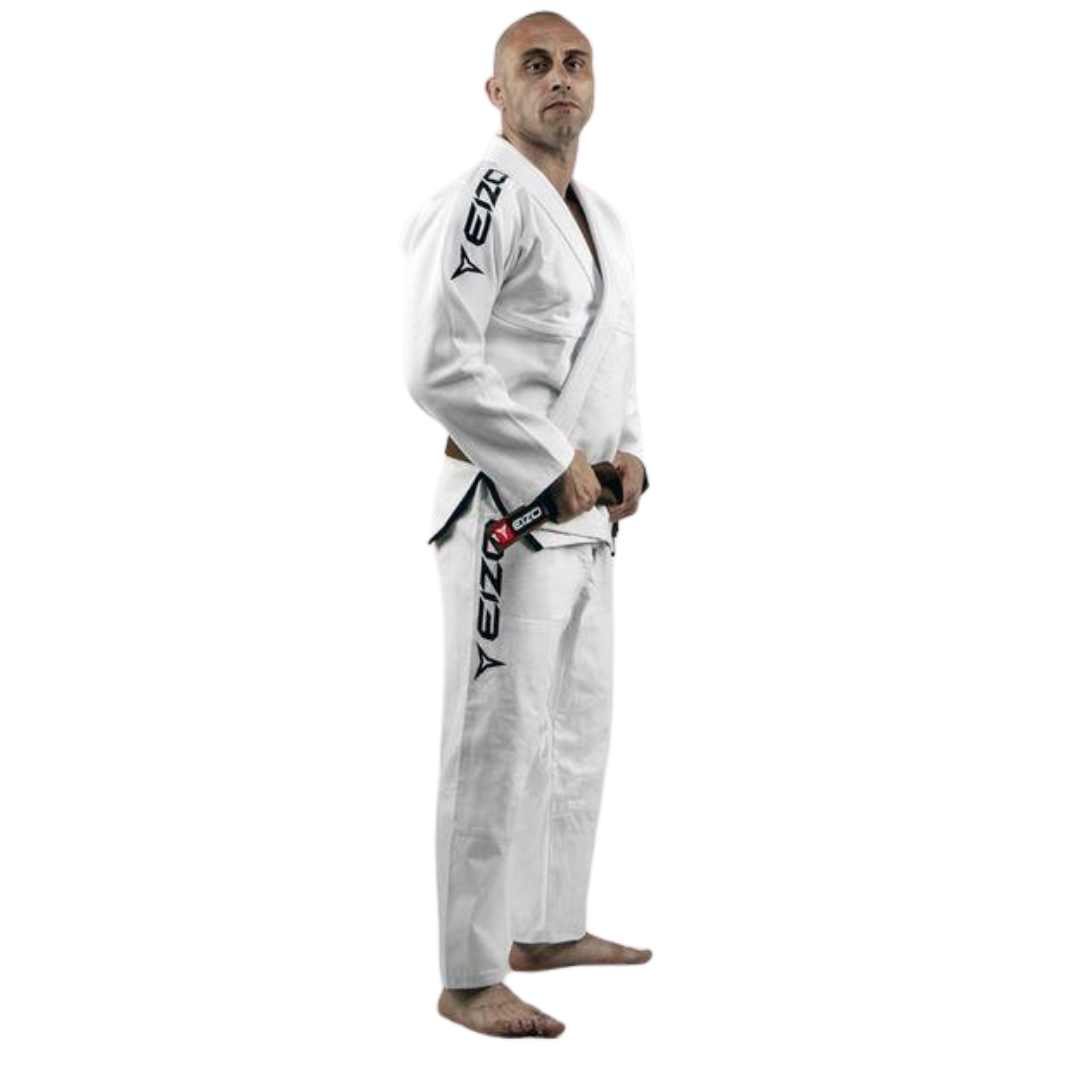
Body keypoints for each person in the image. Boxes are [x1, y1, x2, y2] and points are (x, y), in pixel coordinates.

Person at [403, 11, 651, 1038]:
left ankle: (546, 928)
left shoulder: (605, 217)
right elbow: (436, 364)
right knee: (495, 738)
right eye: (535, 64)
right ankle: (468, 975)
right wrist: (550, 464)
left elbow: (612, 358)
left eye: (576, 63)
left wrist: (630, 454)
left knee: (577, 731)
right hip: (504, 515)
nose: (560, 78)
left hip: (586, 523)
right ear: (497, 92)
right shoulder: (488, 196)